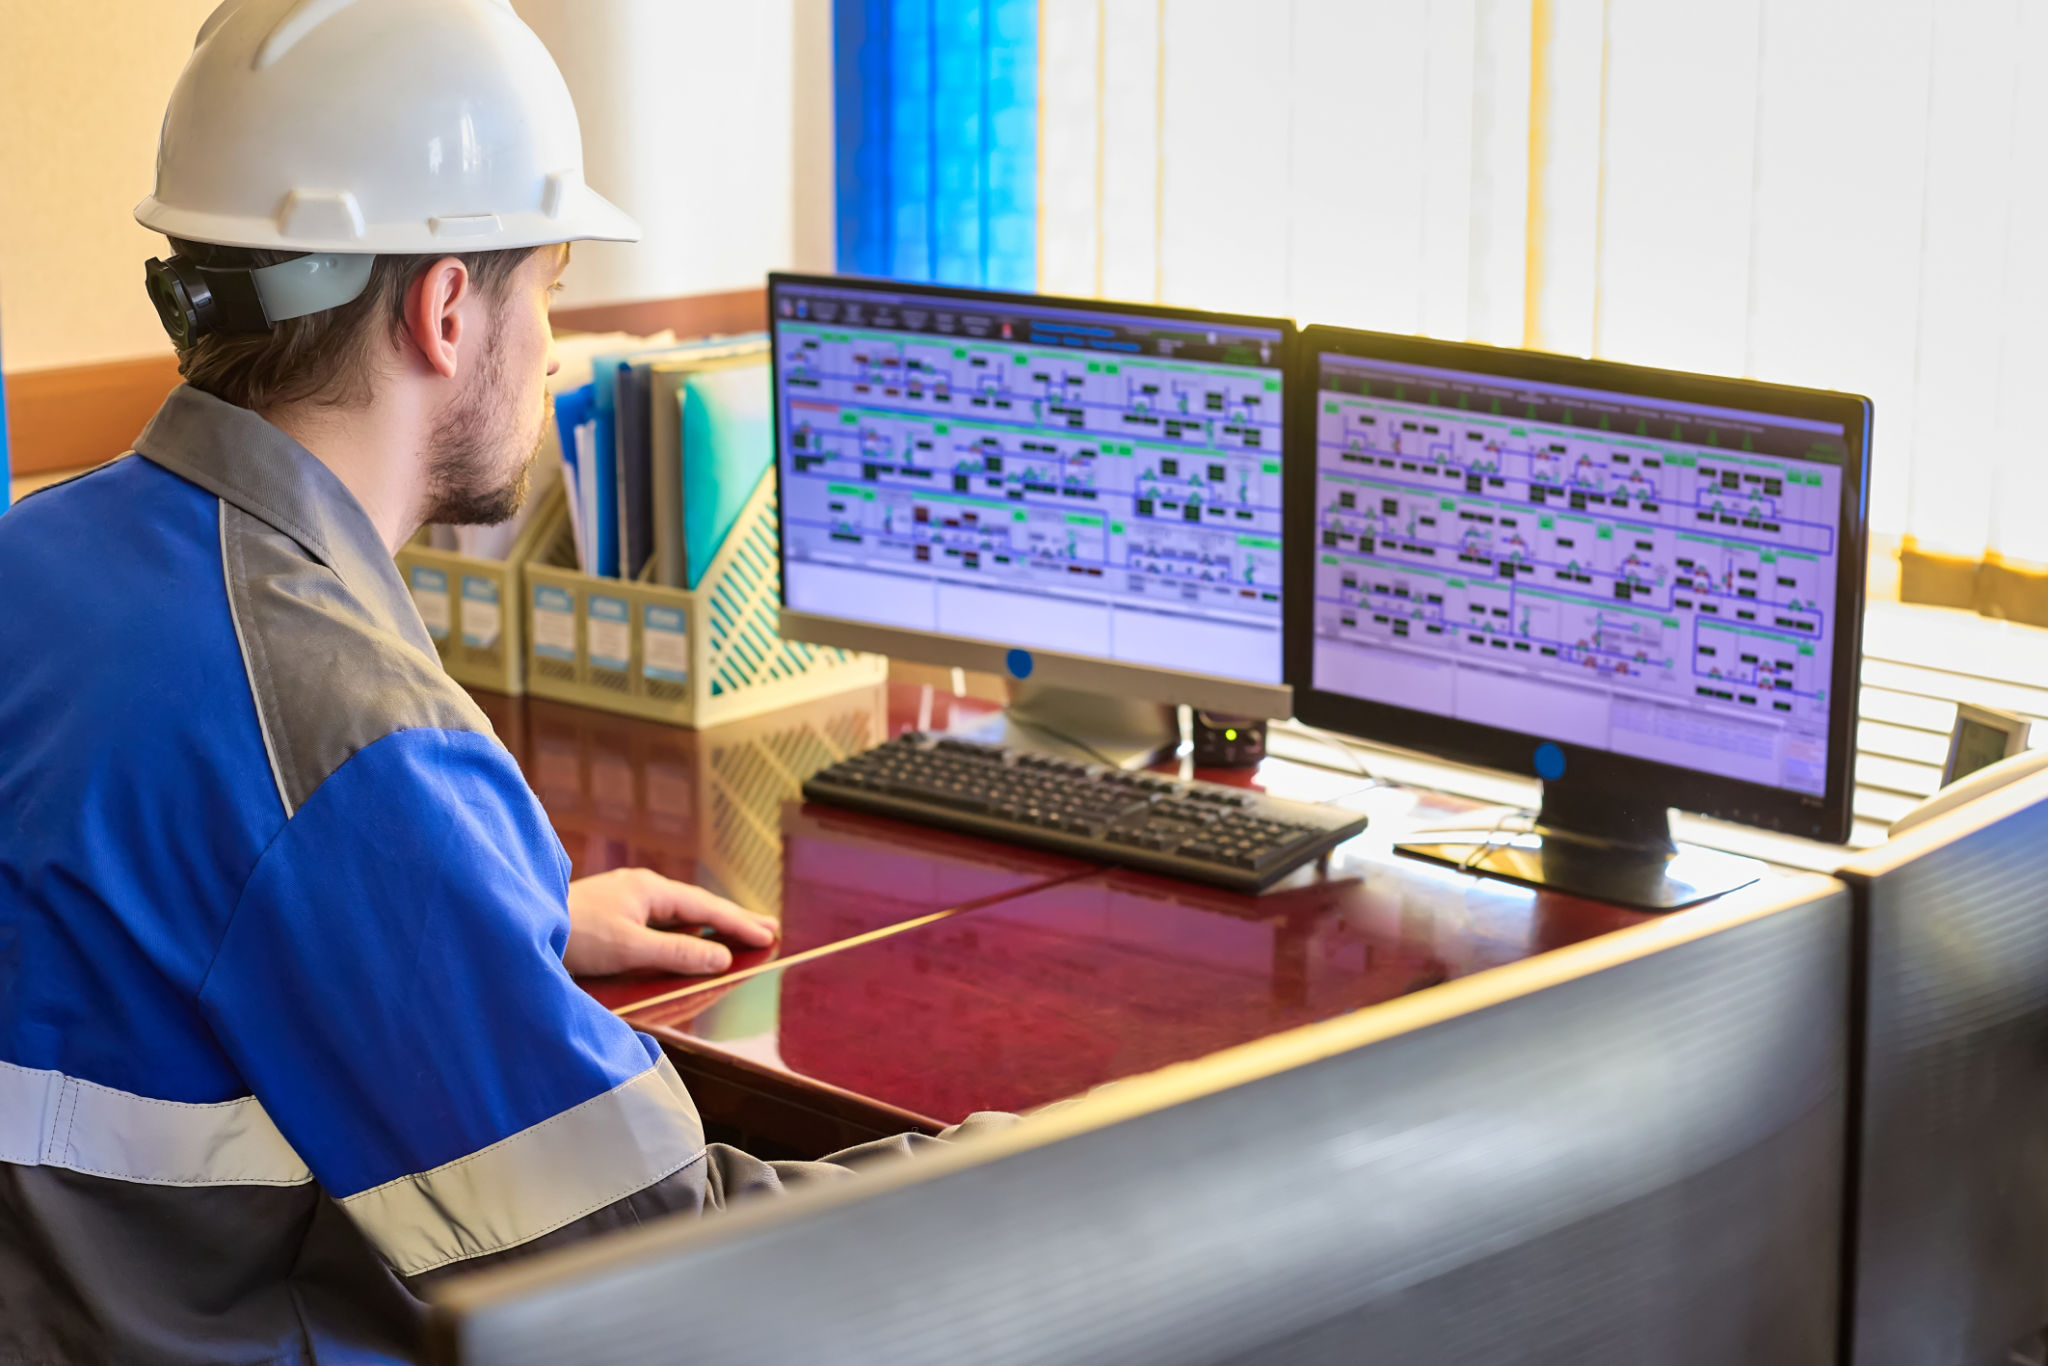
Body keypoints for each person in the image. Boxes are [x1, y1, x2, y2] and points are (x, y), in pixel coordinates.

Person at [0, 3, 999, 1361]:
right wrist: (1030, 1166)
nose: (549, 346)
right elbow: (658, 1265)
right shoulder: (349, 740)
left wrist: (493, 921)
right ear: (450, 307)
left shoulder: (41, 556)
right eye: (552, 290)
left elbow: (151, 924)